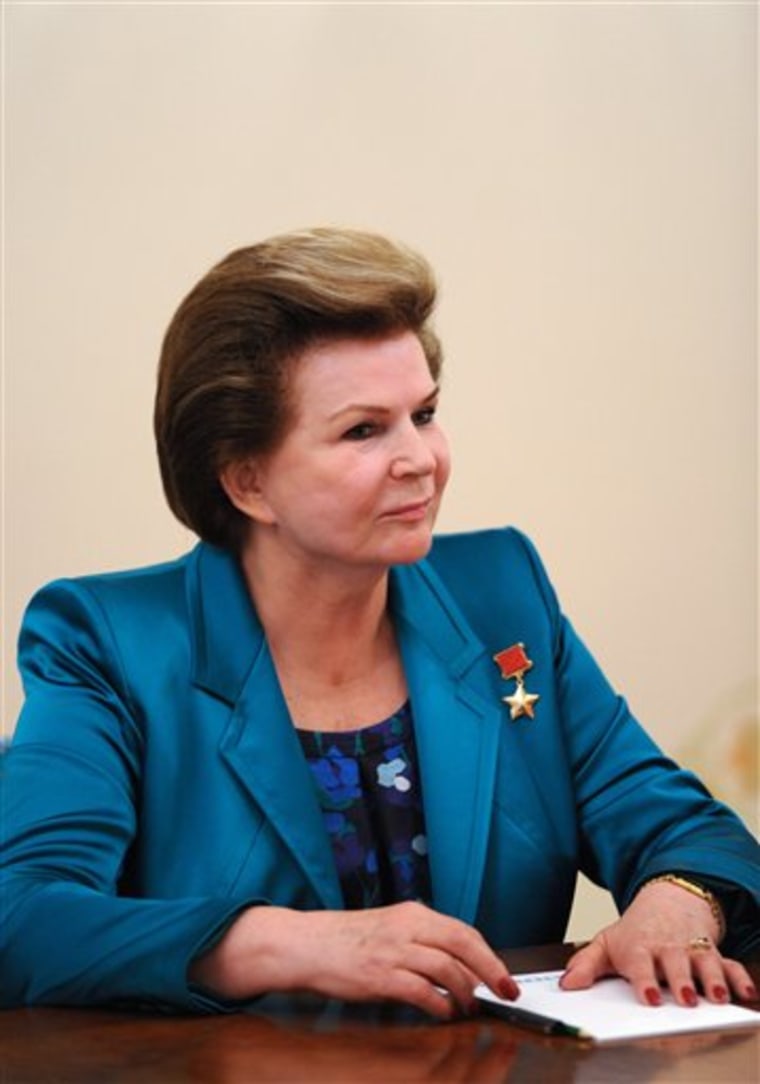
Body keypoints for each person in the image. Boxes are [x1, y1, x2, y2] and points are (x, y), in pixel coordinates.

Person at [2, 227, 758, 1018]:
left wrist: (680, 903)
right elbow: (20, 918)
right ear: (247, 480)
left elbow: (682, 824)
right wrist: (288, 942)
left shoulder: (501, 595)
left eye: (424, 414)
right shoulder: (107, 642)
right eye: (364, 430)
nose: (420, 459)